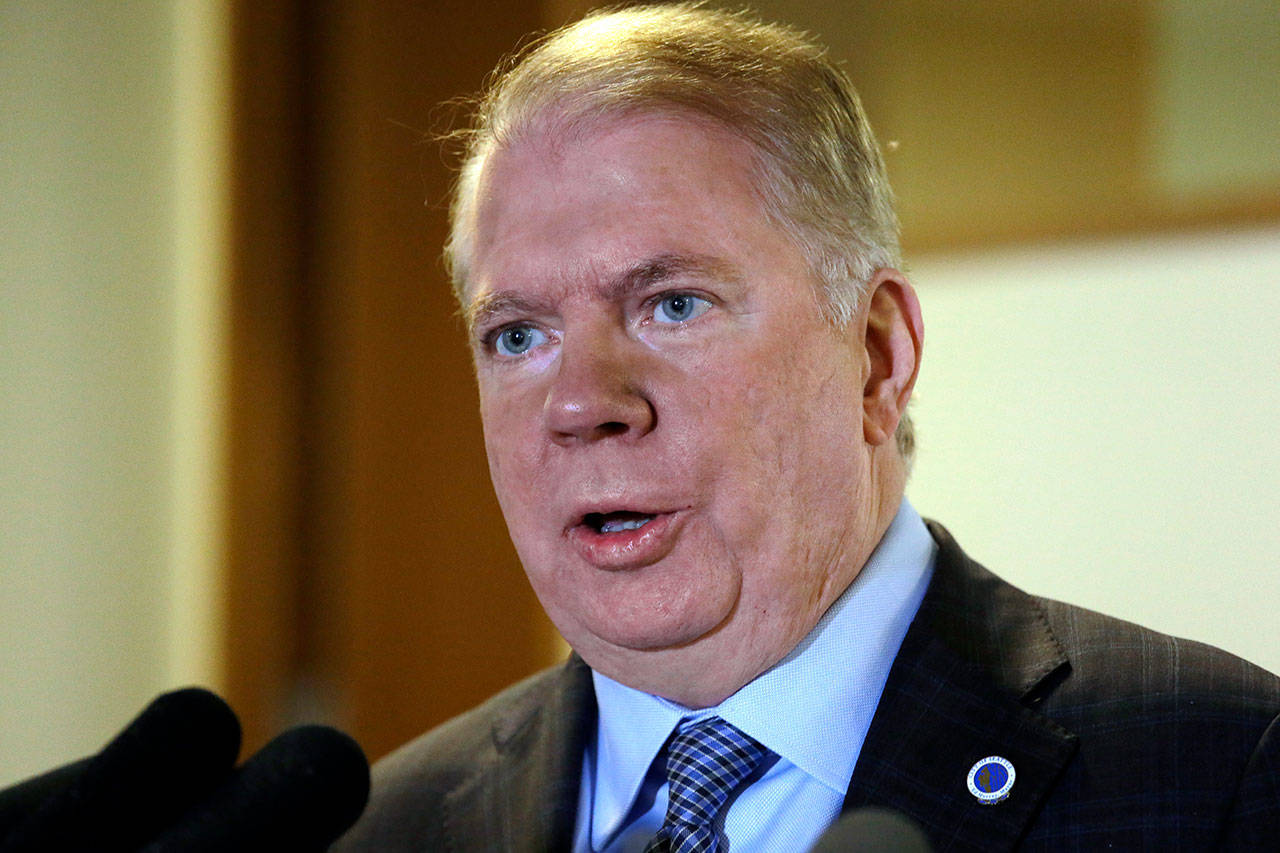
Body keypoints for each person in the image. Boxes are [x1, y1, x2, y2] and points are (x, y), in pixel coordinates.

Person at [334, 5, 1280, 850]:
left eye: (672, 305)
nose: (582, 404)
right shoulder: (386, 826)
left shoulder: (1217, 775)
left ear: (876, 356)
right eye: (518, 334)